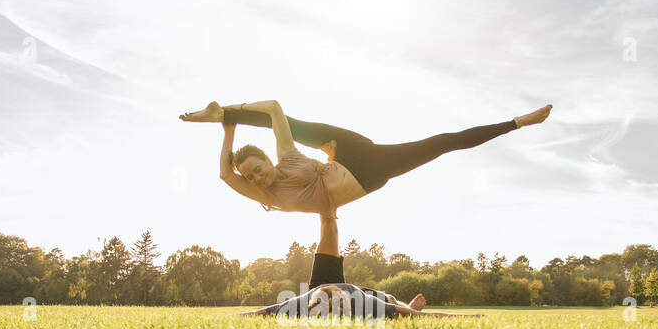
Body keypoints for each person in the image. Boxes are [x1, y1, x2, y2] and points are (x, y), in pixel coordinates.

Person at [180, 99, 553, 220]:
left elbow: (275, 108)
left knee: (442, 142)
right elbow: (225, 175)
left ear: (267, 160)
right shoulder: (265, 196)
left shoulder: (287, 160)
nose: (257, 178)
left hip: (352, 151)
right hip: (371, 174)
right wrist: (226, 132)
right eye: (252, 177)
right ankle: (223, 114)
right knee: (440, 145)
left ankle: (519, 122)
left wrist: (232, 114)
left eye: (258, 170)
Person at [238, 214, 477, 319]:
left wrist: (469, 316)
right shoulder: (308, 304)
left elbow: (258, 313)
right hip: (328, 289)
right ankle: (327, 202)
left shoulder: (358, 302)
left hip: (351, 292)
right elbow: (260, 312)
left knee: (393, 301)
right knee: (392, 301)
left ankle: (328, 200)